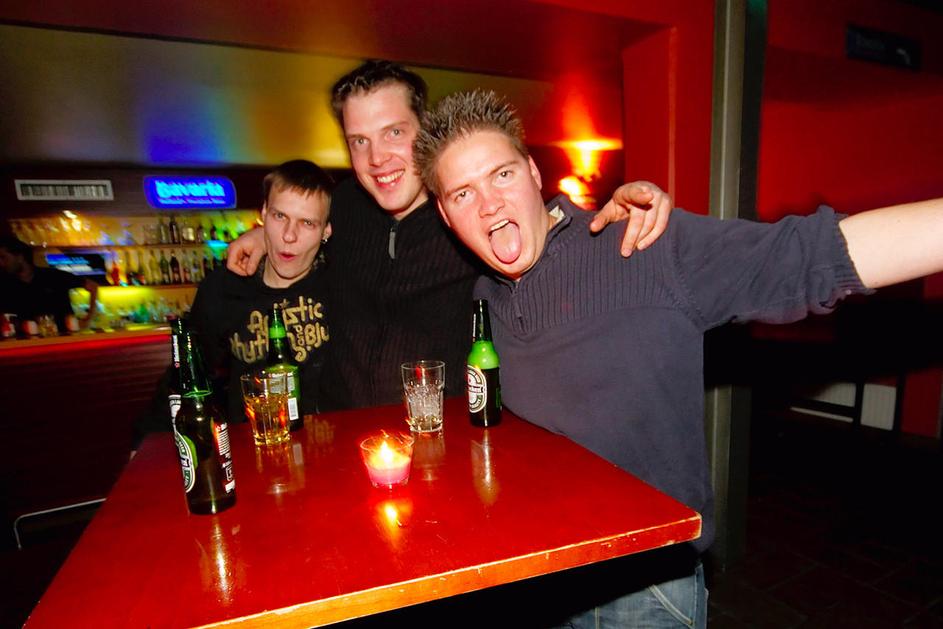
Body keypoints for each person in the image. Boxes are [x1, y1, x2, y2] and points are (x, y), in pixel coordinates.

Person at [413, 89, 943, 628]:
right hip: (539, 571)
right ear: (446, 216)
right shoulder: (487, 297)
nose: (489, 204)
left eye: (502, 175)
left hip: (642, 585)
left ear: (532, 173)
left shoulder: (642, 245)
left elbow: (805, 257)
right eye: (463, 193)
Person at [227, 60, 674, 409]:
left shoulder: (468, 216)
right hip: (345, 438)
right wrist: (263, 238)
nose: (376, 158)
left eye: (393, 133)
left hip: (445, 445)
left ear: (424, 130)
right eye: (359, 140)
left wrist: (606, 219)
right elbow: (299, 225)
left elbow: (539, 227)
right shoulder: (342, 205)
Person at [132, 160, 335, 447]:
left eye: (307, 223)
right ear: (263, 214)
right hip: (252, 448)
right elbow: (188, 371)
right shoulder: (224, 288)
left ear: (326, 230)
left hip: (328, 448)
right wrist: (144, 442)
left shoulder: (340, 283)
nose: (289, 236)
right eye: (279, 216)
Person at [0, 234, 98, 332]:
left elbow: (92, 286)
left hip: (64, 337)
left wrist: (88, 319)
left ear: (20, 257)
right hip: (26, 339)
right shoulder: (6, 285)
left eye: (4, 257)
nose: (1, 263)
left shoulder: (52, 276)